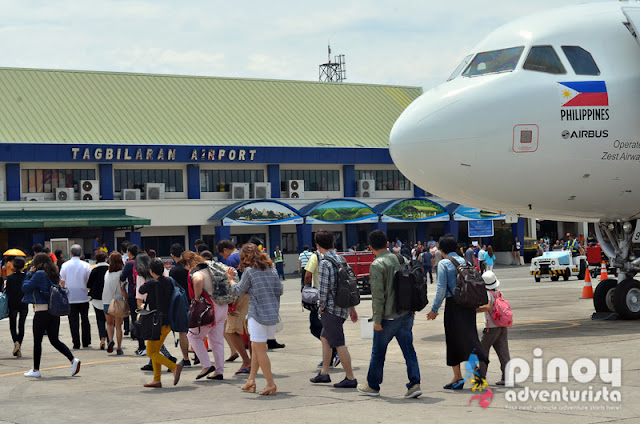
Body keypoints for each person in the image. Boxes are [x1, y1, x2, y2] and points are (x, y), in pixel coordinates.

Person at [357, 230, 421, 398]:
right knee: (409, 351)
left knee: (378, 353)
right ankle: (415, 384)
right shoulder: (402, 259)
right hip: (406, 315)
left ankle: (373, 386)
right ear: (387, 244)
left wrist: (376, 320)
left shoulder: (377, 265)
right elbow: (412, 287)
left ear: (370, 247)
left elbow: (378, 296)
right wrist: (412, 310)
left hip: (388, 318)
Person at [426, 234, 488, 390]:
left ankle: (458, 377)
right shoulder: (465, 261)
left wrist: (434, 310)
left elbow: (441, 290)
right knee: (470, 338)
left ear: (441, 249)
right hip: (468, 305)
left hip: (454, 305)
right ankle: (477, 374)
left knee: (453, 340)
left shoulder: (444, 263)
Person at [228, 243, 283, 396]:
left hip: (257, 314)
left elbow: (238, 290)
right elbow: (280, 290)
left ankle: (270, 384)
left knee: (260, 351)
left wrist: (231, 279)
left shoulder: (250, 272)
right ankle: (251, 380)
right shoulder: (272, 270)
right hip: (271, 314)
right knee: (257, 347)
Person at [310, 229, 358, 389]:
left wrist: (321, 307)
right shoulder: (341, 259)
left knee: (338, 342)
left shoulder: (324, 263)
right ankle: (324, 372)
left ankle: (350, 377)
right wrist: (351, 308)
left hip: (331, 309)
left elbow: (323, 289)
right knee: (325, 338)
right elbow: (348, 283)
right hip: (343, 306)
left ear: (318, 245)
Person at [22, 253, 81, 378]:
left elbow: (25, 287)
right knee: (54, 339)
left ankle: (36, 369)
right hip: (53, 310)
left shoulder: (39, 274)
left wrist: (29, 274)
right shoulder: (53, 274)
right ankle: (72, 359)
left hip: (41, 310)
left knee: (37, 341)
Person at [139, 258, 183, 388]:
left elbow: (141, 290)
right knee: (156, 350)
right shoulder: (170, 281)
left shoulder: (153, 282)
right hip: (168, 321)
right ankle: (156, 380)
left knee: (150, 352)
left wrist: (149, 280)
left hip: (156, 322)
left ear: (151, 271)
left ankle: (174, 367)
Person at [188, 258, 229, 381]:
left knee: (193, 336)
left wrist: (196, 298)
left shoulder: (199, 273)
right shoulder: (217, 271)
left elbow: (198, 279)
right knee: (217, 341)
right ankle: (219, 371)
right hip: (222, 306)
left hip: (209, 310)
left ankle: (206, 365)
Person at [217, 240, 251, 374]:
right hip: (252, 296)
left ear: (225, 250)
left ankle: (246, 361)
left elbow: (230, 282)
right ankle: (253, 361)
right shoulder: (244, 255)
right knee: (251, 330)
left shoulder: (230, 260)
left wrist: (230, 303)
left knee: (231, 330)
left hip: (239, 296)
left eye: (222, 255)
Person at [304, 247, 339, 368]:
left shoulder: (316, 257)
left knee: (315, 328)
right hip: (335, 299)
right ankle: (330, 357)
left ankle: (336, 349)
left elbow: (308, 275)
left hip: (320, 298)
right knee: (327, 328)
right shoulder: (337, 257)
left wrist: (306, 288)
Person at [476, 271, 510, 386]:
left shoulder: (488, 294)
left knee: (482, 352)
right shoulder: (499, 293)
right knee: (503, 352)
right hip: (502, 326)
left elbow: (487, 307)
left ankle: (481, 377)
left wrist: (474, 310)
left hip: (491, 328)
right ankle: (506, 377)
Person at [60, 244, 91, 349]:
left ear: (71, 253)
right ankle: (86, 341)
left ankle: (76, 343)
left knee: (73, 321)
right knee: (85, 319)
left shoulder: (65, 265)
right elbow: (88, 281)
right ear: (81, 254)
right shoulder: (86, 265)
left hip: (70, 297)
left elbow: (62, 282)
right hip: (83, 296)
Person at [169, 243, 191, 367]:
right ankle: (199, 355)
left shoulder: (174, 271)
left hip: (182, 303)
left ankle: (186, 358)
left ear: (172, 255)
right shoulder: (190, 268)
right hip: (195, 300)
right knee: (196, 332)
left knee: (183, 332)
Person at [102, 252, 127, 355]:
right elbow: (123, 288)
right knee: (118, 326)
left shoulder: (107, 273)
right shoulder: (121, 273)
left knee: (109, 323)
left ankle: (110, 340)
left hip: (106, 301)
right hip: (118, 301)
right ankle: (119, 347)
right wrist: (126, 300)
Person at [4, 256, 28, 357]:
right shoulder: (26, 277)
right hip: (23, 303)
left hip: (13, 304)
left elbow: (7, 291)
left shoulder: (9, 278)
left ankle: (16, 343)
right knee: (21, 325)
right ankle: (19, 345)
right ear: (23, 266)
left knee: (12, 324)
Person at [87, 250, 109, 350]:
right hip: (108, 298)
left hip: (96, 299)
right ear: (106, 258)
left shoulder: (94, 270)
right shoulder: (110, 269)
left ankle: (102, 339)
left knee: (100, 320)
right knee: (109, 321)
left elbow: (88, 284)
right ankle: (110, 339)